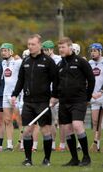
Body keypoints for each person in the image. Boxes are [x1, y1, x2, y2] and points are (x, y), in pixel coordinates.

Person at [11, 34, 58, 166]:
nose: (30, 47)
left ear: (39, 45)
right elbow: (20, 80)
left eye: (33, 44)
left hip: (43, 102)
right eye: (29, 45)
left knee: (45, 131)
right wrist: (14, 94)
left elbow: (56, 80)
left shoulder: (48, 61)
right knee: (27, 131)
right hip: (28, 102)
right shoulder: (25, 61)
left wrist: (54, 96)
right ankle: (28, 160)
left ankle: (47, 159)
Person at [56, 37, 95, 166]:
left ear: (70, 47)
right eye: (59, 47)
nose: (61, 49)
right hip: (63, 102)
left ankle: (86, 157)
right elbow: (56, 84)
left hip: (78, 100)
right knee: (67, 130)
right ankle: (74, 159)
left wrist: (87, 98)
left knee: (77, 125)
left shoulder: (81, 62)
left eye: (63, 47)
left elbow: (91, 79)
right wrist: (54, 96)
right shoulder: (59, 65)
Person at [0, 43, 22, 151]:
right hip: (5, 94)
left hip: (15, 95)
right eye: (2, 50)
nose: (3, 52)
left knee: (19, 120)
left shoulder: (18, 62)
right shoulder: (3, 63)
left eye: (5, 50)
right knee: (7, 120)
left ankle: (23, 143)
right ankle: (9, 145)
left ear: (11, 51)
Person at [42, 40, 62, 151]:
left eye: (46, 49)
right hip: (46, 93)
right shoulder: (43, 59)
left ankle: (65, 143)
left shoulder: (58, 59)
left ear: (51, 49)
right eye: (43, 49)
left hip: (57, 93)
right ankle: (53, 143)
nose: (44, 52)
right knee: (50, 120)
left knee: (60, 120)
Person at [88, 43, 103, 153]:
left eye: (95, 51)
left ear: (100, 52)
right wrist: (90, 93)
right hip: (94, 96)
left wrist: (101, 91)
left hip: (102, 95)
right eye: (91, 51)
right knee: (95, 121)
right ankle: (96, 143)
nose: (92, 52)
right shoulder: (89, 63)